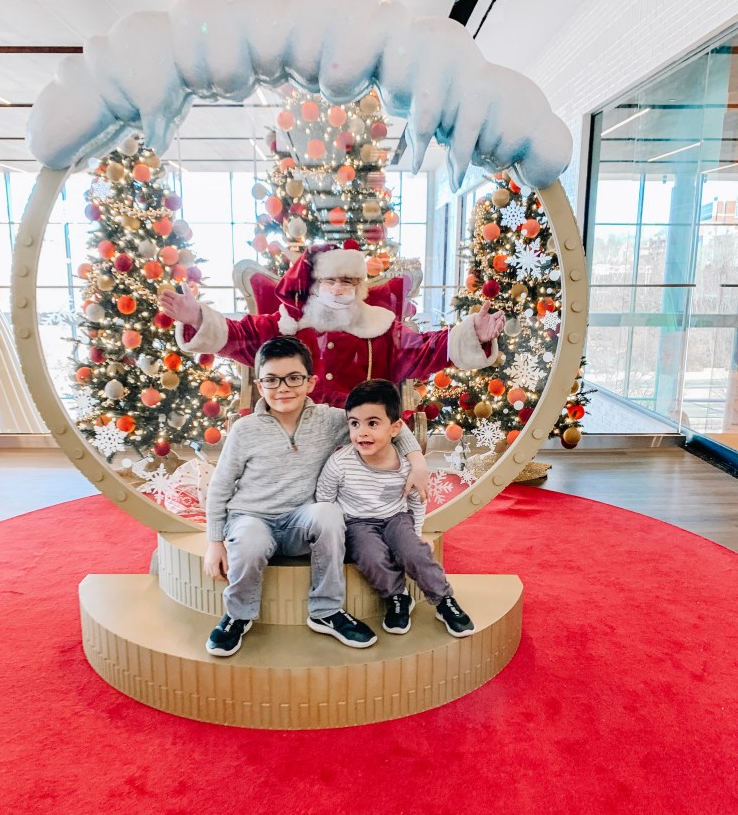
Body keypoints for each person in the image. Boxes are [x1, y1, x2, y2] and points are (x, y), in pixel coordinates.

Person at [203, 337, 428, 658]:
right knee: (249, 540)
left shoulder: (328, 420)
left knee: (329, 513)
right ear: (259, 385)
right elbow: (221, 486)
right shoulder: (245, 430)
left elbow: (388, 423)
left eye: (294, 378)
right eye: (272, 380)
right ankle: (237, 615)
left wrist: (417, 462)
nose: (283, 388)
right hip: (252, 519)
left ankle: (326, 610)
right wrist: (214, 542)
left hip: (302, 522)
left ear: (310, 382)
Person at [159, 244, 506, 409]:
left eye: (348, 281)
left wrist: (472, 333)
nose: (339, 289)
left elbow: (424, 349)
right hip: (291, 433)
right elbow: (239, 336)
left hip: (356, 435)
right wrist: (197, 318)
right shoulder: (284, 325)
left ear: (359, 287)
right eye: (331, 281)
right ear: (314, 285)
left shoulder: (381, 328)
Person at [316, 378, 475, 638]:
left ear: (395, 428)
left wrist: (417, 532)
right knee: (371, 556)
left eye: (372, 423)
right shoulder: (339, 462)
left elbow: (416, 500)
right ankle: (397, 597)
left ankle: (444, 599)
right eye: (354, 424)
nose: (361, 432)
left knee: (415, 552)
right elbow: (324, 499)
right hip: (356, 523)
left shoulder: (406, 465)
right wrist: (338, 532)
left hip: (396, 518)